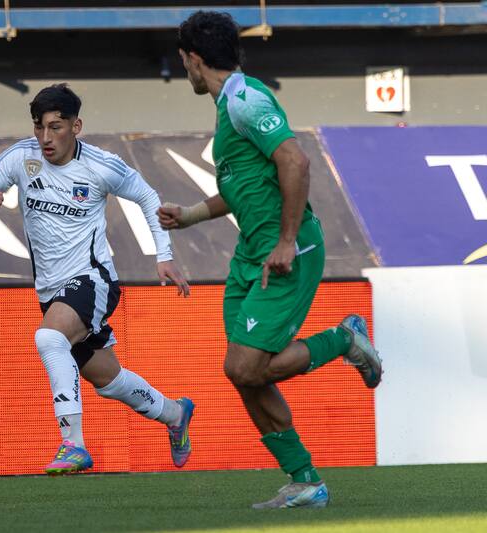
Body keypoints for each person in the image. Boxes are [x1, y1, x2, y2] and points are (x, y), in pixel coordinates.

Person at [158, 11, 383, 509]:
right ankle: (305, 481)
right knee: (245, 374)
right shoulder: (227, 107)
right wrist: (192, 214)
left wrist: (284, 241)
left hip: (285, 254)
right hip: (250, 257)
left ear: (195, 60)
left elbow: (294, 160)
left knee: (244, 365)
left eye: (183, 61)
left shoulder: (245, 100)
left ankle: (343, 338)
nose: (184, 70)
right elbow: (244, 188)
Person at [0, 83, 196, 475]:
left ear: (76, 126)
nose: (46, 138)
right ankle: (174, 414)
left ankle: (72, 445)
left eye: (56, 127)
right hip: (52, 291)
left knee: (48, 337)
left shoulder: (102, 165)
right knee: (107, 379)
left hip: (94, 279)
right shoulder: (21, 157)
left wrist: (165, 256)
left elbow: (149, 197)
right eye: (39, 128)